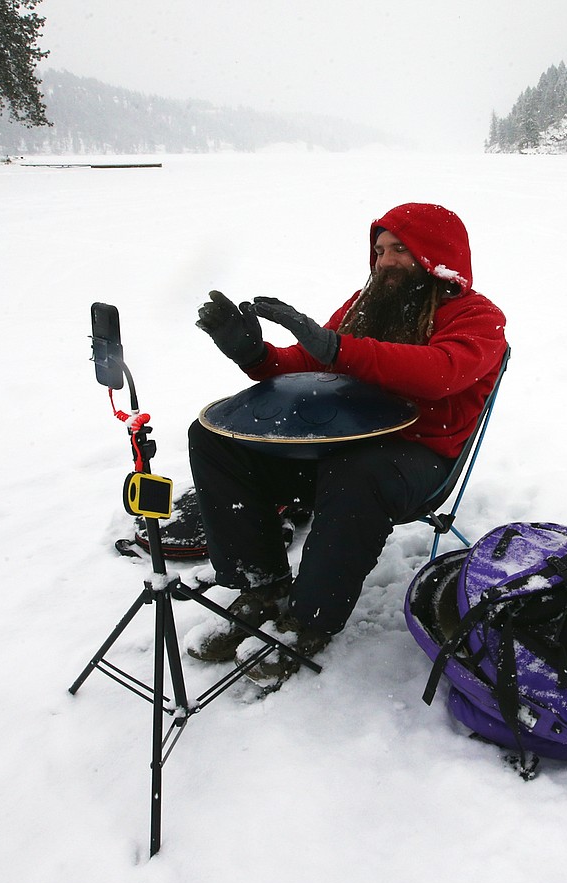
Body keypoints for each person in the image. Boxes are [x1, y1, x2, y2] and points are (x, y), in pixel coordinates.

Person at [187, 202, 508, 689]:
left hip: (416, 460)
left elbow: (440, 372)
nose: (385, 261)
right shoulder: (368, 302)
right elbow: (318, 361)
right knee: (216, 439)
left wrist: (336, 348)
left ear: (437, 255)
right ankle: (261, 586)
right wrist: (256, 354)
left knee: (358, 471)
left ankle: (308, 621)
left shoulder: (478, 316)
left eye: (401, 249)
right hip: (339, 445)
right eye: (379, 250)